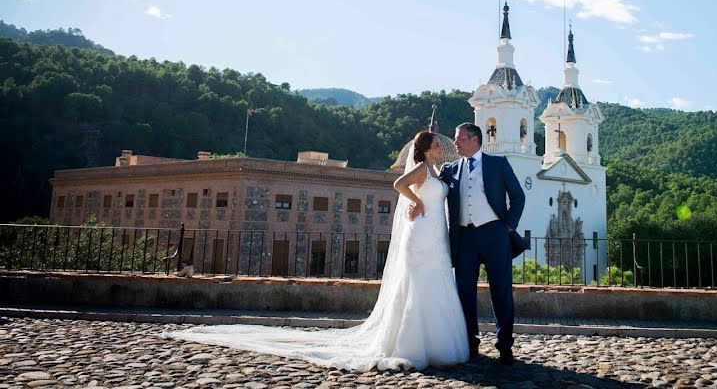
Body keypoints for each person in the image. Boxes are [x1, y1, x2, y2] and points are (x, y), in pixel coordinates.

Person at [166, 131, 468, 372]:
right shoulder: (418, 170)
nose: (443, 147)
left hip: (435, 235)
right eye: (438, 144)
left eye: (442, 144)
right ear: (427, 148)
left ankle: (437, 344)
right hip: (422, 232)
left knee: (435, 280)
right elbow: (398, 183)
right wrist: (418, 202)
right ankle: (413, 344)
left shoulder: (435, 169)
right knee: (417, 283)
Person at [439, 122, 526, 366]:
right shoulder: (452, 169)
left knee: (501, 292)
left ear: (474, 140)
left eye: (459, 139)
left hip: (495, 235)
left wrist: (508, 226)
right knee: (464, 292)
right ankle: (470, 342)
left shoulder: (498, 164)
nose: (455, 143)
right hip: (464, 238)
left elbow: (518, 197)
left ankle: (504, 345)